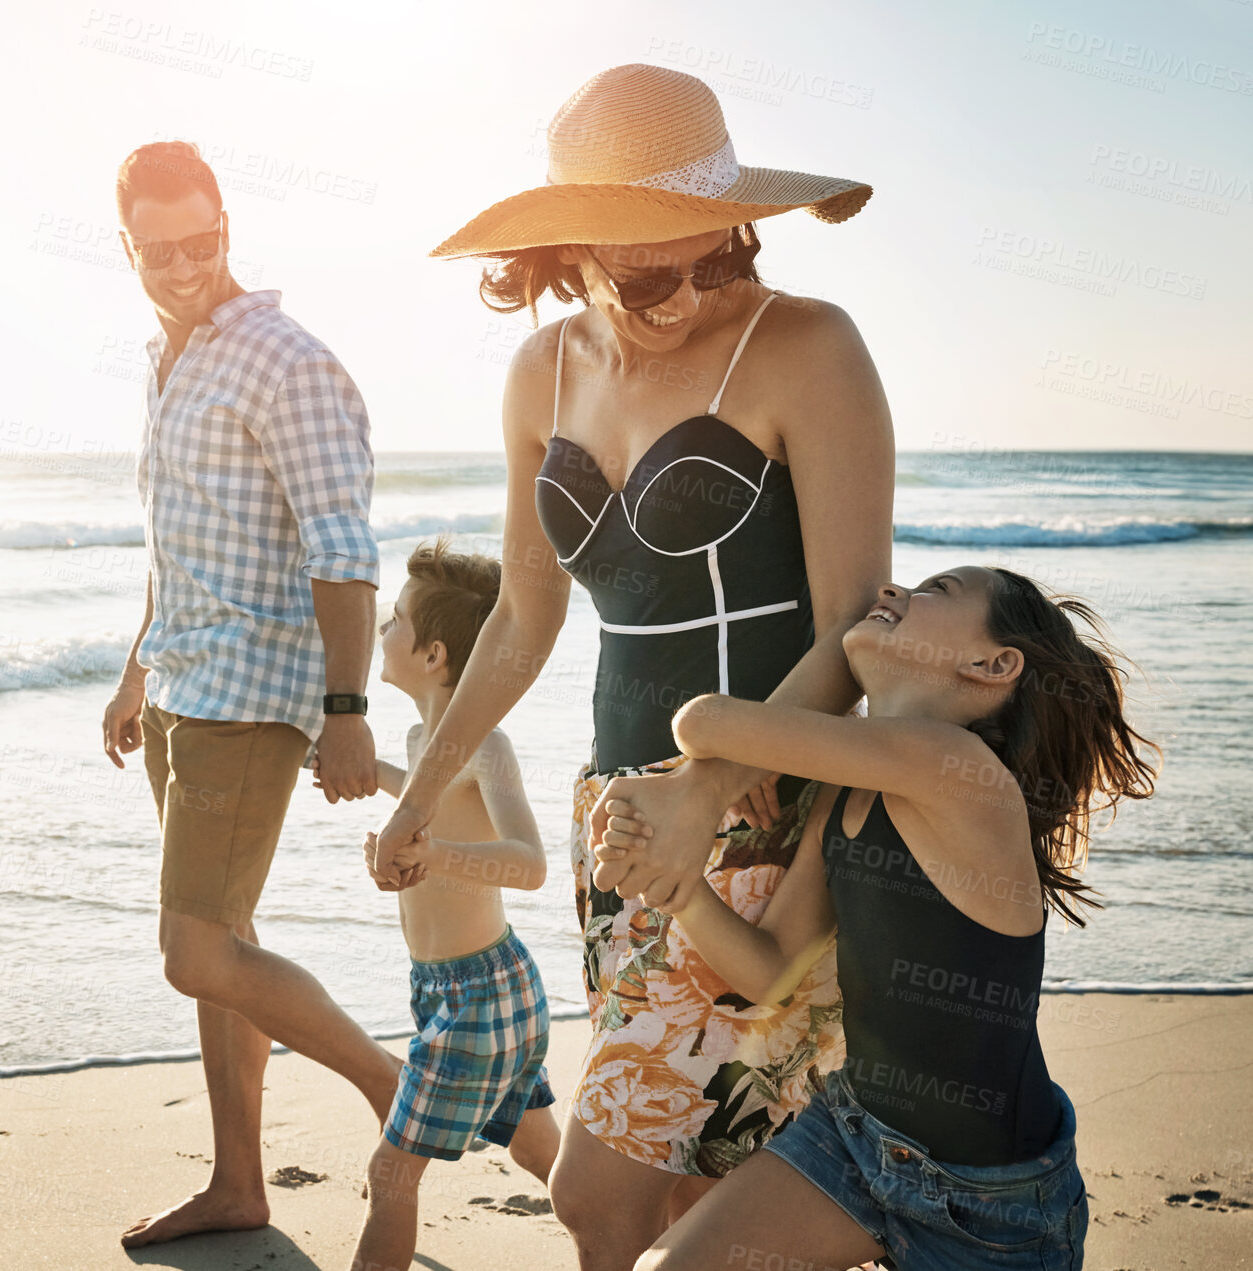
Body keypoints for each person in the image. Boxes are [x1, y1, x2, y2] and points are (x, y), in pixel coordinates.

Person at [374, 63, 893, 1270]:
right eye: (656, 266)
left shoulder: (804, 346)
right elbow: (522, 616)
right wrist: (417, 789)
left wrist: (711, 787)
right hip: (619, 825)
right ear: (576, 246)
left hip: (770, 821)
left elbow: (856, 619)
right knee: (680, 1189)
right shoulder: (539, 374)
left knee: (592, 1188)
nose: (700, 287)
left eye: (719, 255)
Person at [598, 566, 1158, 1270]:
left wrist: (700, 784)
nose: (892, 590)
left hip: (990, 1200)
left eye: (938, 591)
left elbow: (701, 721)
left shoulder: (964, 771)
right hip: (855, 1134)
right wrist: (679, 888)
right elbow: (772, 967)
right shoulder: (849, 785)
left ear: (993, 664)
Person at [99, 140, 401, 1249]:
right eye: (161, 248)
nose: (186, 266)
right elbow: (173, 536)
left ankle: (394, 1088)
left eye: (205, 241)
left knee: (195, 947)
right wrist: (136, 670)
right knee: (222, 942)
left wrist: (348, 706)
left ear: (229, 223)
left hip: (250, 686)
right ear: (126, 243)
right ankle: (239, 1184)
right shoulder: (167, 355)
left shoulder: (287, 361)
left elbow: (343, 547)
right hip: (182, 678)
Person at [324, 538, 559, 1271]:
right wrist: (379, 777)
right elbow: (435, 797)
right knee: (541, 1152)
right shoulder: (423, 736)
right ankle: (658, 1239)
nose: (382, 632)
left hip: (479, 995)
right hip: (459, 988)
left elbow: (531, 862)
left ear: (432, 654)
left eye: (393, 620)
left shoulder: (486, 743)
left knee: (390, 1173)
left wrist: (436, 856)